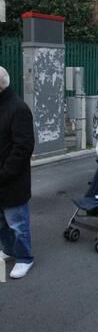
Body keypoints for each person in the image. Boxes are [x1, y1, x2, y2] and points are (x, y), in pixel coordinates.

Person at [0, 67, 35, 279]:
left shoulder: (18, 108)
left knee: (18, 224)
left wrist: (4, 174)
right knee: (2, 222)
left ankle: (24, 258)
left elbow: (23, 147)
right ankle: (9, 250)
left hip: (12, 180)